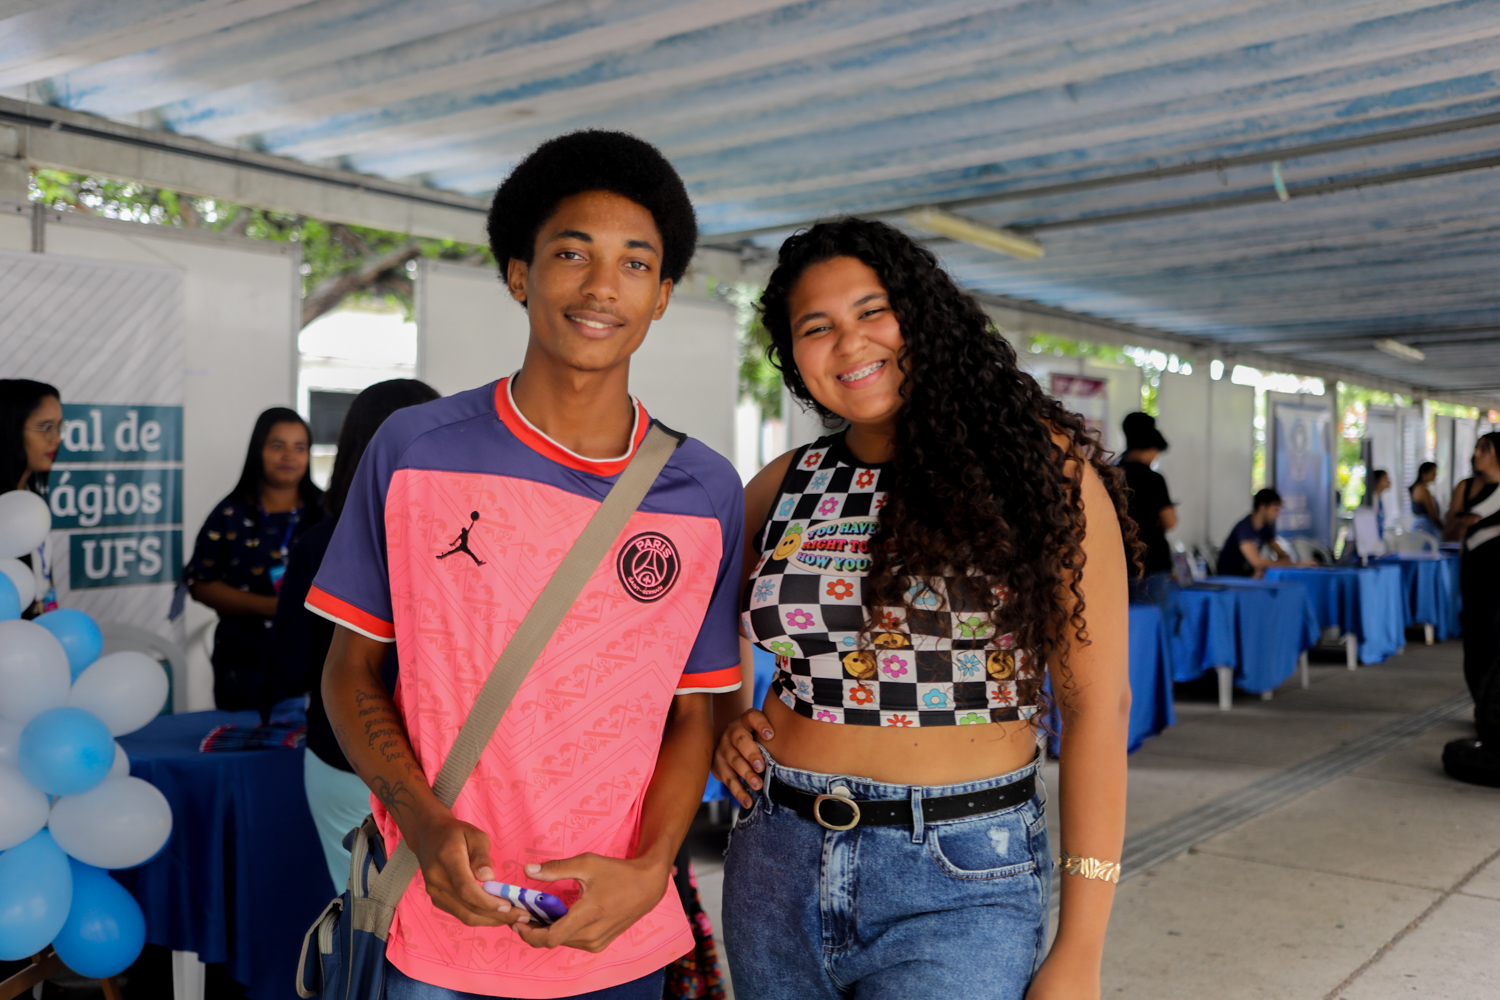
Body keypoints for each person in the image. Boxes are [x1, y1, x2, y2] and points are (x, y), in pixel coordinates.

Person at [312, 131, 743, 1000]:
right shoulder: (413, 452)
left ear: (661, 296)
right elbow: (349, 671)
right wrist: (425, 826)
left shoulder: (703, 489)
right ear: (520, 274)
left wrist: (653, 867)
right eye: (571, 253)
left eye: (633, 264)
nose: (599, 286)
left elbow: (696, 712)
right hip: (439, 927)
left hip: (610, 930)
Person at [712, 219, 1134, 1000]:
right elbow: (690, 639)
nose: (849, 342)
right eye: (817, 327)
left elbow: (1100, 708)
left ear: (924, 318)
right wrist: (724, 720)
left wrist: (1082, 947)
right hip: (775, 857)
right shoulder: (784, 484)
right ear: (795, 359)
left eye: (873, 311)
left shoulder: (1041, 473)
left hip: (960, 873)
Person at [263, 379, 439, 891]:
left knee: (363, 928)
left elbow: (290, 664)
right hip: (443, 766)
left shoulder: (321, 541)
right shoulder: (467, 545)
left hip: (343, 757)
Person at [185, 407, 323, 712]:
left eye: (299, 448)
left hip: (316, 655)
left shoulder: (327, 513)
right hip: (243, 657)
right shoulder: (230, 513)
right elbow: (200, 584)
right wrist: (270, 607)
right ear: (257, 450)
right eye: (277, 446)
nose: (289, 456)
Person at [0, 379, 62, 616]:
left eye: (59, 427)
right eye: (46, 427)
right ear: (9, 428)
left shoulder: (29, 494)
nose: (56, 438)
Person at [1449, 433, 1500, 704]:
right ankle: (1482, 705)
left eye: (1484, 448)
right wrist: (1463, 524)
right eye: (1477, 448)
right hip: (1474, 574)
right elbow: (1448, 530)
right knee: (1476, 641)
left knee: (1495, 639)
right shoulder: (1466, 487)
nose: (1477, 454)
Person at [1118, 411, 1176, 597]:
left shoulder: (1113, 475)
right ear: (1152, 447)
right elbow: (1170, 521)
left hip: (1120, 562)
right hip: (1153, 564)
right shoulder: (1154, 479)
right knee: (1155, 621)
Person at [1215, 488, 1304, 576]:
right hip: (1230, 579)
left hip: (1247, 578)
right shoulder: (1245, 528)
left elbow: (1282, 555)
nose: (1278, 514)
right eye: (1275, 509)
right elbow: (1257, 563)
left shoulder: (1265, 529)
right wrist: (1296, 565)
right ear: (1262, 507)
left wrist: (1285, 563)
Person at [1410, 461, 1442, 533]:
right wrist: (1443, 527)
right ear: (1424, 474)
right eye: (1433, 473)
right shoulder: (1423, 490)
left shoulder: (1420, 488)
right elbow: (1433, 514)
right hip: (1425, 528)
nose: (1435, 476)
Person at [1366, 469, 1391, 540]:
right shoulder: (1371, 500)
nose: (1389, 481)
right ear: (1377, 481)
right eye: (1386, 478)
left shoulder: (1379, 499)